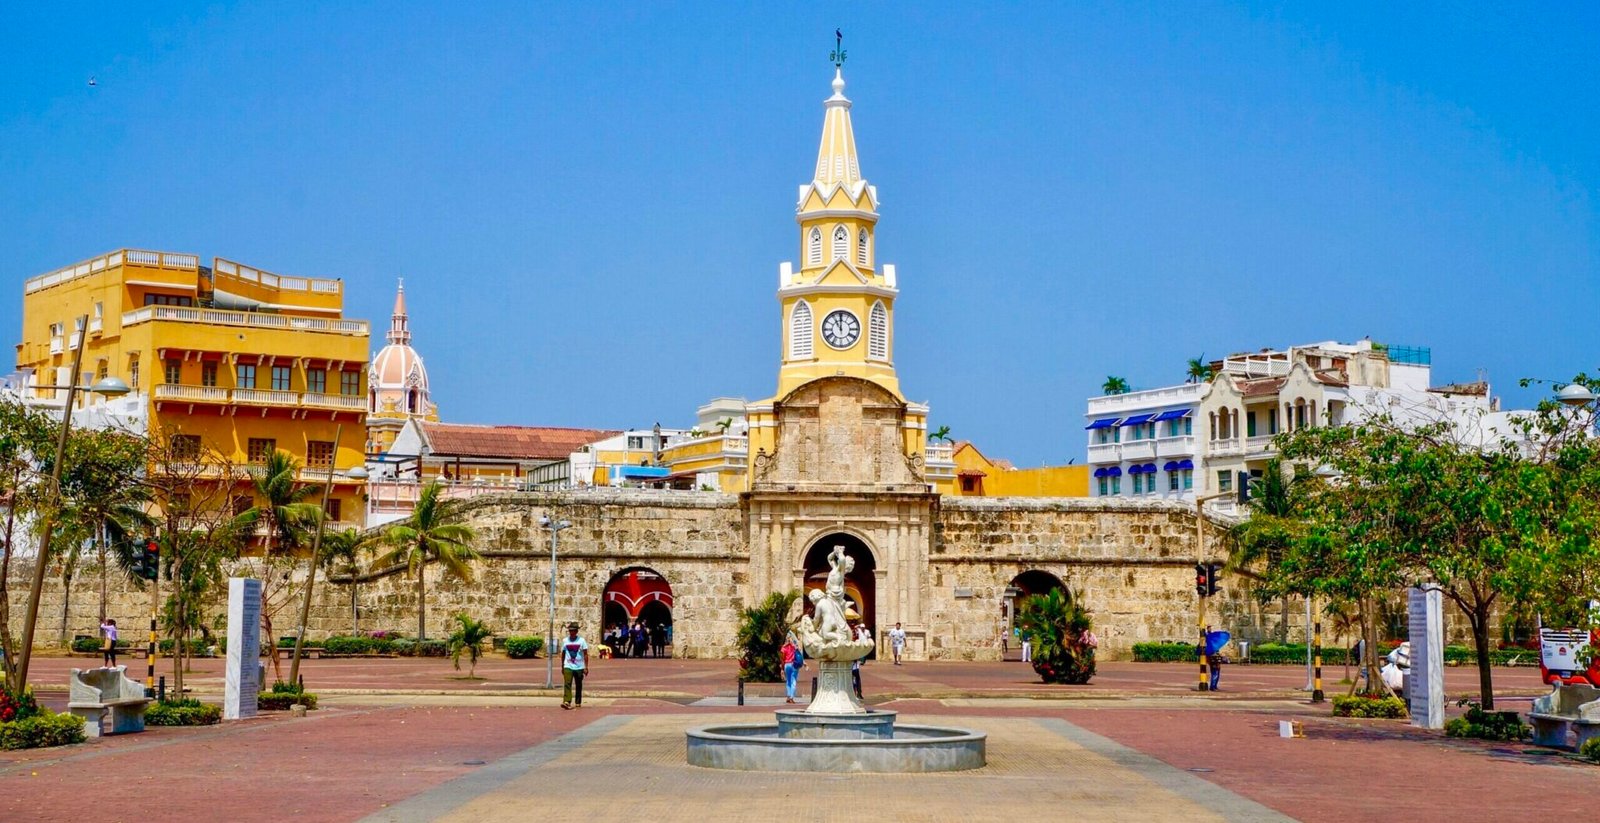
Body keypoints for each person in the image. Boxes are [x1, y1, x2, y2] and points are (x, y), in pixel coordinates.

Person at [560, 622, 588, 709]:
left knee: (578, 684)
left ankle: (578, 701)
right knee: (567, 683)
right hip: (568, 665)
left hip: (579, 666)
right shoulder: (565, 641)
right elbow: (563, 653)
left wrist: (586, 667)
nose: (571, 632)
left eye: (573, 631)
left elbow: (585, 654)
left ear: (576, 631)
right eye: (570, 631)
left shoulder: (581, 641)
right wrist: (562, 666)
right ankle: (567, 701)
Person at [781, 632, 801, 704]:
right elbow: (799, 653)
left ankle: (788, 696)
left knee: (788, 681)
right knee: (793, 681)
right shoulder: (795, 646)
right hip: (794, 664)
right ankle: (791, 697)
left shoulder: (784, 647)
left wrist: (782, 669)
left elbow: (782, 659)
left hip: (787, 665)